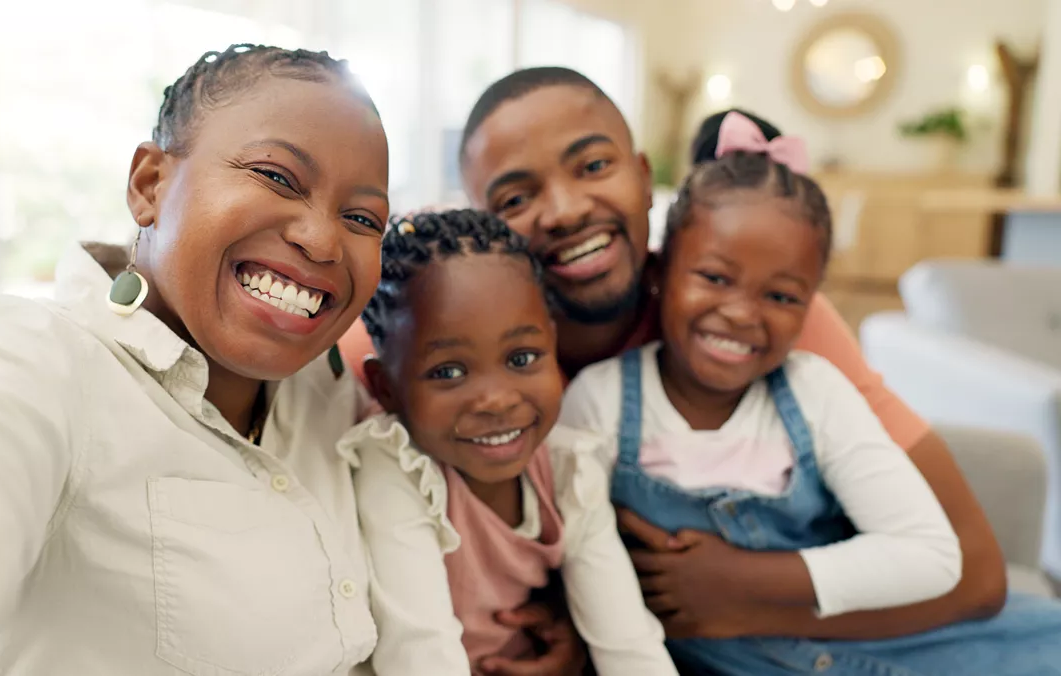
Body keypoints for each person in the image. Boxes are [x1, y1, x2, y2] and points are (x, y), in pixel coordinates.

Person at [335, 67, 1014, 669]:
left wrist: (737, 599)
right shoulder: (420, 356)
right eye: (515, 198)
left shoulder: (754, 315)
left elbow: (977, 576)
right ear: (482, 224)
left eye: (594, 166)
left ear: (643, 176)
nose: (568, 208)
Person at [0, 43, 395, 675]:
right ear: (149, 184)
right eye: (276, 176)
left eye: (362, 217)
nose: (322, 240)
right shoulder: (34, 353)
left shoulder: (332, 396)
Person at [559, 113, 1061, 674]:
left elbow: (933, 555)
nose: (742, 313)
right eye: (715, 278)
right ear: (660, 272)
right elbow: (582, 566)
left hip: (876, 645)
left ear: (813, 307)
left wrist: (740, 583)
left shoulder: (816, 391)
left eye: (781, 295)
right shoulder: (598, 402)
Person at [342, 209, 677, 675]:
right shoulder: (395, 468)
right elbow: (419, 651)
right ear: (386, 389)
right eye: (449, 372)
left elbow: (627, 642)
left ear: (553, 346)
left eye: (521, 357)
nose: (496, 400)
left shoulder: (568, 470)